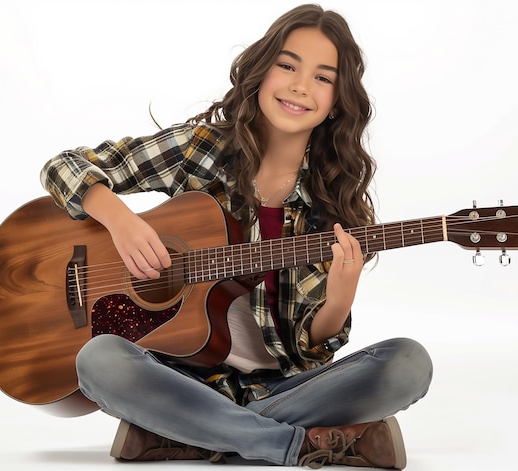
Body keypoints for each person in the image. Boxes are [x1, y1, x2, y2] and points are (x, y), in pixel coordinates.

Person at [40, 4, 432, 468]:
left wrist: (339, 301)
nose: (300, 86)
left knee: (408, 363)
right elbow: (63, 166)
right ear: (262, 70)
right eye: (288, 65)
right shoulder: (201, 150)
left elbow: (310, 349)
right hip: (177, 377)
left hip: (282, 387)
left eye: (323, 78)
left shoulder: (335, 208)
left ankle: (187, 432)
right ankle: (296, 444)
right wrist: (120, 220)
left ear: (337, 102)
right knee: (99, 360)